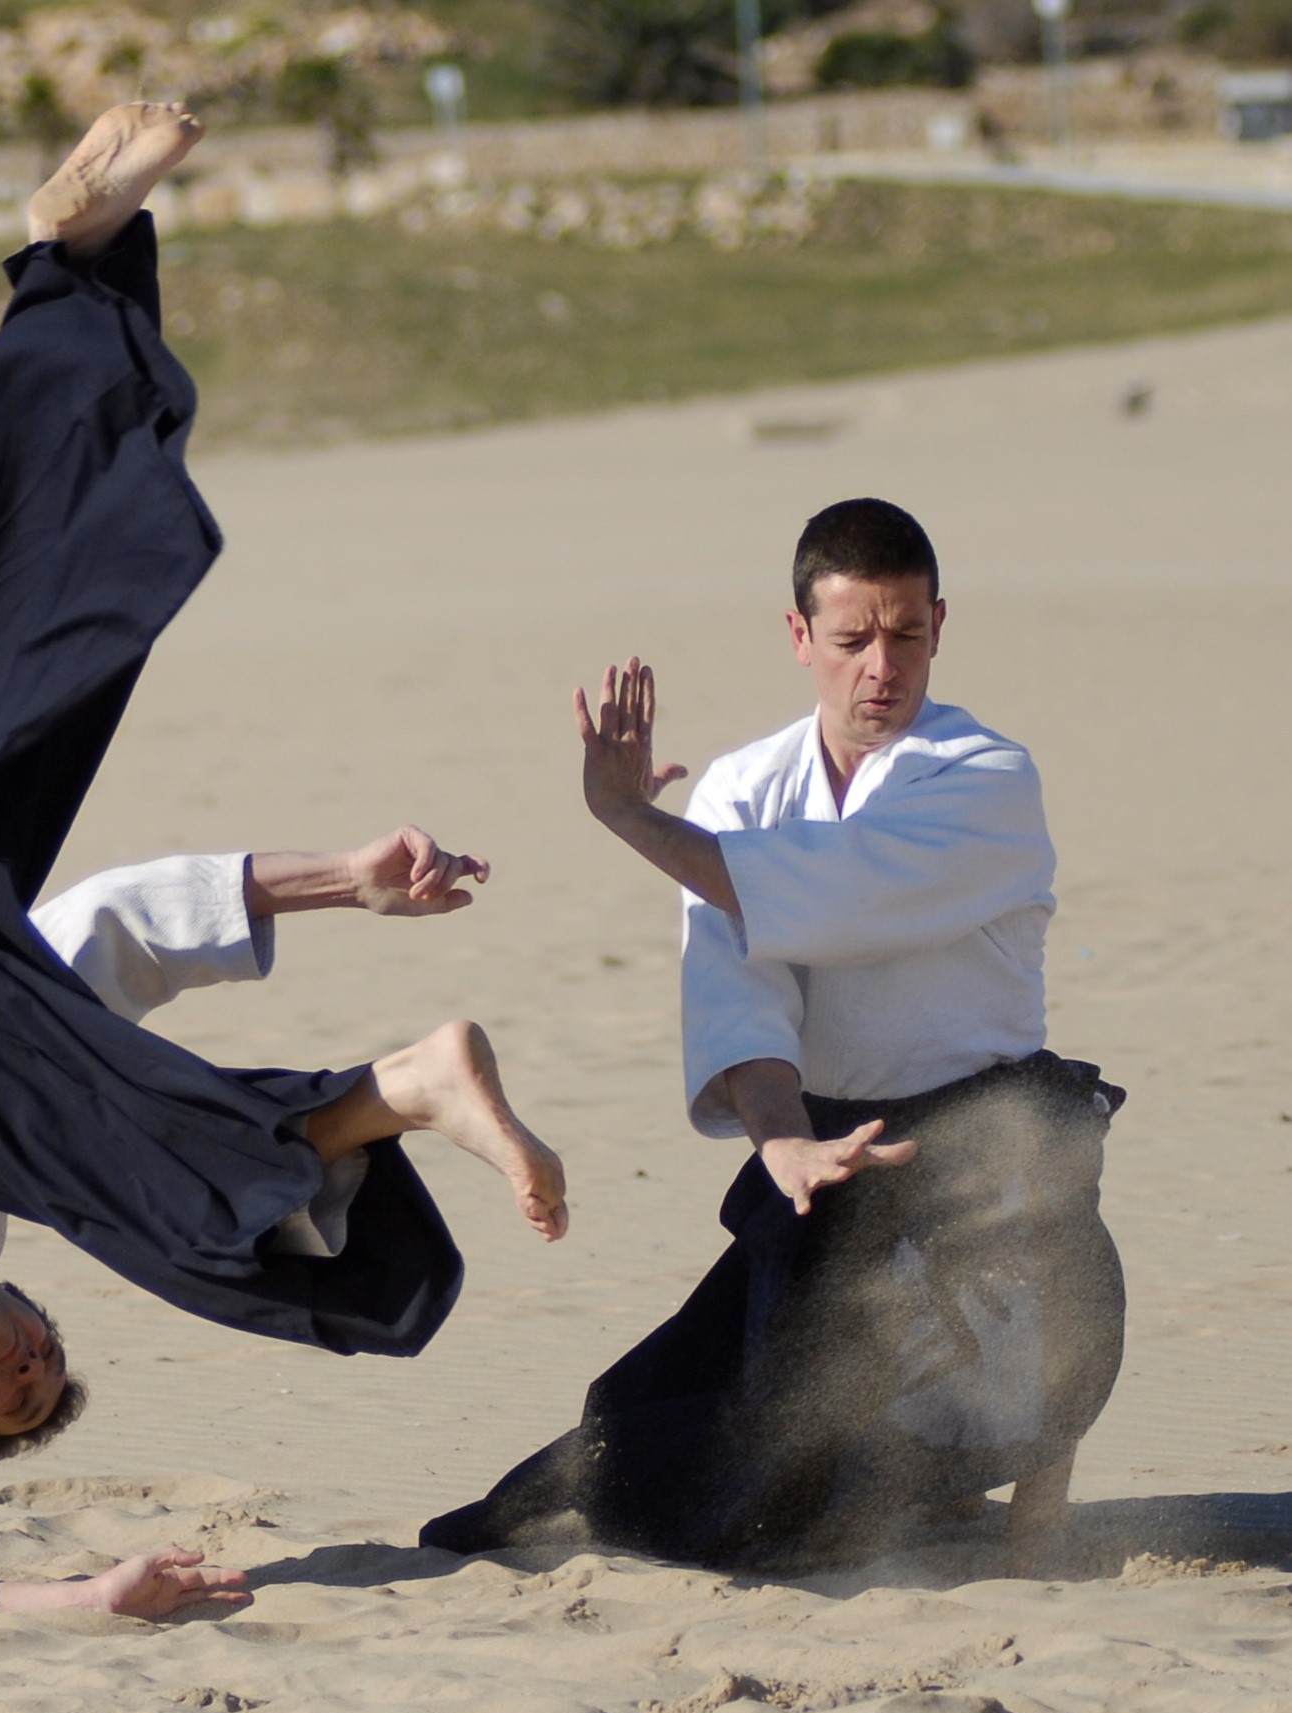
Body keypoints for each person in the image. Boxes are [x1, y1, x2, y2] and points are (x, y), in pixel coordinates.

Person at [0, 103, 564, 1621]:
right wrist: (340, 877)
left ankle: (394, 1094)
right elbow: (109, 934)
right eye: (48, 1368)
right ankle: (71, 274)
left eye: (12, 1385)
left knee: (86, 1116)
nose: (30, 1353)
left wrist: (74, 1602)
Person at [422, 497, 1125, 1573]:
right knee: (670, 1432)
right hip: (823, 1150)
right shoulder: (745, 786)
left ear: (940, 622)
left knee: (923, 1425)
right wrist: (781, 1143)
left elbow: (830, 894)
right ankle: (554, 1486)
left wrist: (636, 822)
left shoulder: (986, 778)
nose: (878, 666)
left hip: (988, 1144)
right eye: (849, 640)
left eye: (904, 633)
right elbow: (738, 984)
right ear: (800, 638)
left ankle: (1036, 1468)